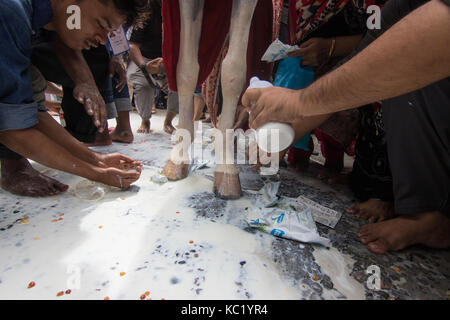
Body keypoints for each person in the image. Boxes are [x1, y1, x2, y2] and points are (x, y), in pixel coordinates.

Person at [243, 0, 450, 254]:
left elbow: (439, 33)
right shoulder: (400, 7)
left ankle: (428, 213)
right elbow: (363, 60)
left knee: (404, 65)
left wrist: (298, 102)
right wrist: (292, 128)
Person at [0, 0, 148, 196]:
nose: (103, 40)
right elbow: (11, 129)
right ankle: (12, 163)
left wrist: (96, 160)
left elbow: (31, 114)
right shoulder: (10, 12)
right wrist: (95, 173)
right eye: (101, 24)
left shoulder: (43, 20)